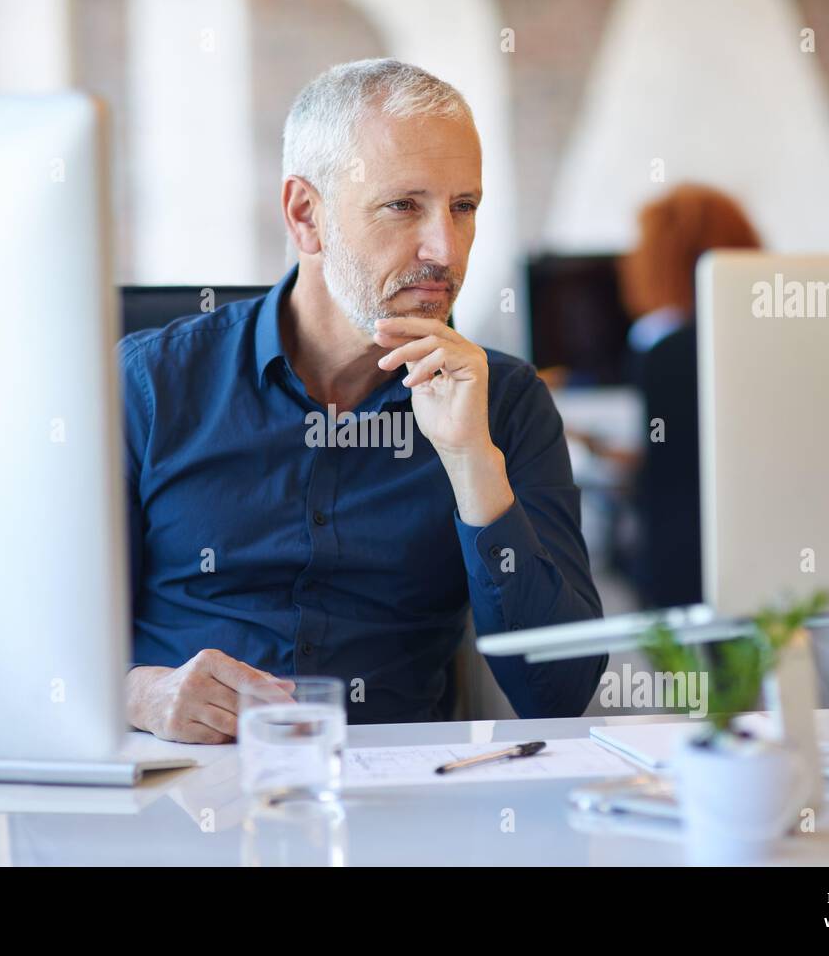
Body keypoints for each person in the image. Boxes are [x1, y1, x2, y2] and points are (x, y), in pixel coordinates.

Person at [119, 59, 606, 743]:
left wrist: (472, 461)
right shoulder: (150, 384)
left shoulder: (507, 403)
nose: (445, 248)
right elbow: (38, 650)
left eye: (463, 207)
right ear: (305, 214)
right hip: (182, 791)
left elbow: (560, 691)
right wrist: (143, 694)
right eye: (403, 205)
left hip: (402, 801)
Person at [618, 183, 761, 607]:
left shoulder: (661, 346)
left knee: (685, 676)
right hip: (758, 549)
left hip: (680, 559)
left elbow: (658, 460)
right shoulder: (764, 337)